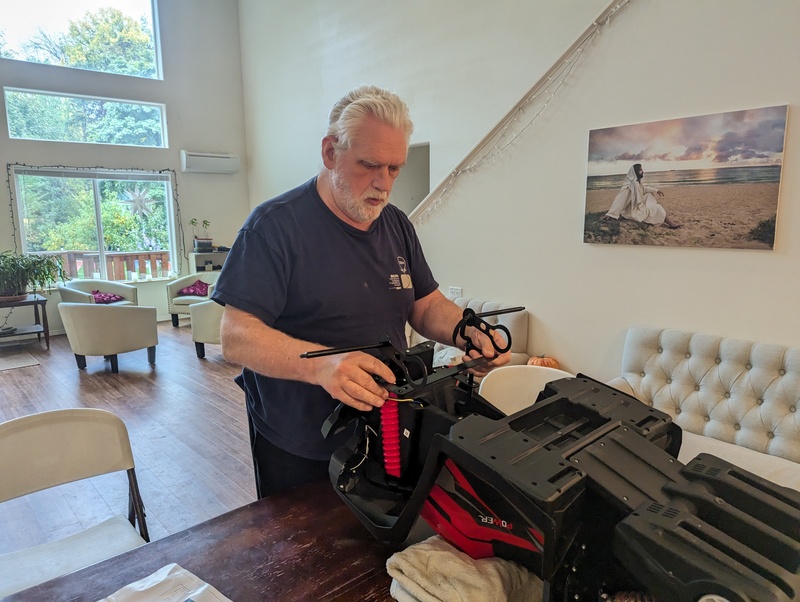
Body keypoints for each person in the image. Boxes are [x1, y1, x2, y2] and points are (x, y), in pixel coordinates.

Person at [211, 85, 510, 498]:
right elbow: (236, 336)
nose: (383, 184)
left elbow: (425, 305)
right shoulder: (273, 228)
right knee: (304, 558)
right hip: (300, 442)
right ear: (330, 152)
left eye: (394, 169)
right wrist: (321, 366)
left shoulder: (397, 226)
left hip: (388, 426)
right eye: (369, 165)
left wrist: (467, 332)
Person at [601, 163, 681, 228]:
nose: (643, 172)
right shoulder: (629, 185)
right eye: (640, 170)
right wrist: (610, 214)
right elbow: (619, 200)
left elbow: (644, 189)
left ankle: (652, 213)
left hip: (636, 205)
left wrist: (656, 190)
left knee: (649, 195)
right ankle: (671, 224)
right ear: (635, 172)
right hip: (632, 210)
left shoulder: (636, 182)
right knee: (658, 208)